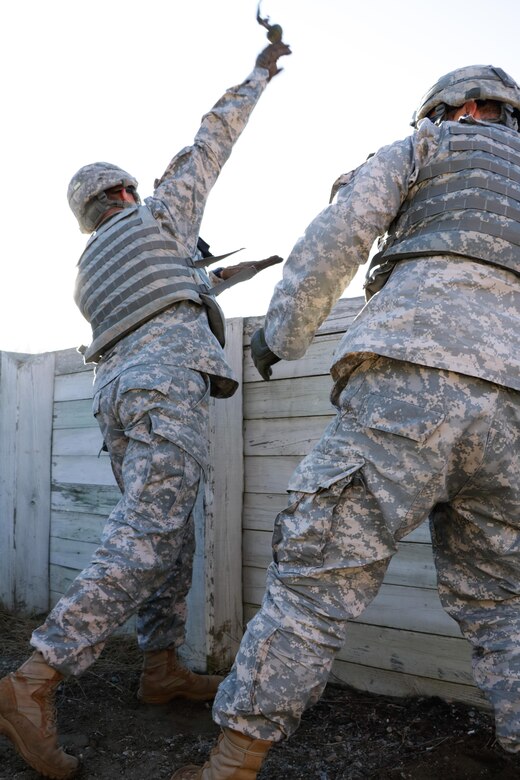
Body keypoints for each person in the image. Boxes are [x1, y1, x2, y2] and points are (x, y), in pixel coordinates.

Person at [170, 64, 520, 779]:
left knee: (314, 583)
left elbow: (339, 235)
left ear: (450, 108)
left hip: (408, 381)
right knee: (506, 605)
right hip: (515, 411)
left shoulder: (424, 146)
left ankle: (230, 768)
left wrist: (280, 336)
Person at [0, 37, 290, 780]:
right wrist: (259, 73)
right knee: (147, 535)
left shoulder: (90, 270)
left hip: (119, 393)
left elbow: (164, 297)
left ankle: (160, 665)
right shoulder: (159, 215)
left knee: (168, 534)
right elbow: (211, 141)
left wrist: (215, 276)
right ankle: (34, 678)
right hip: (165, 381)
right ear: (125, 193)